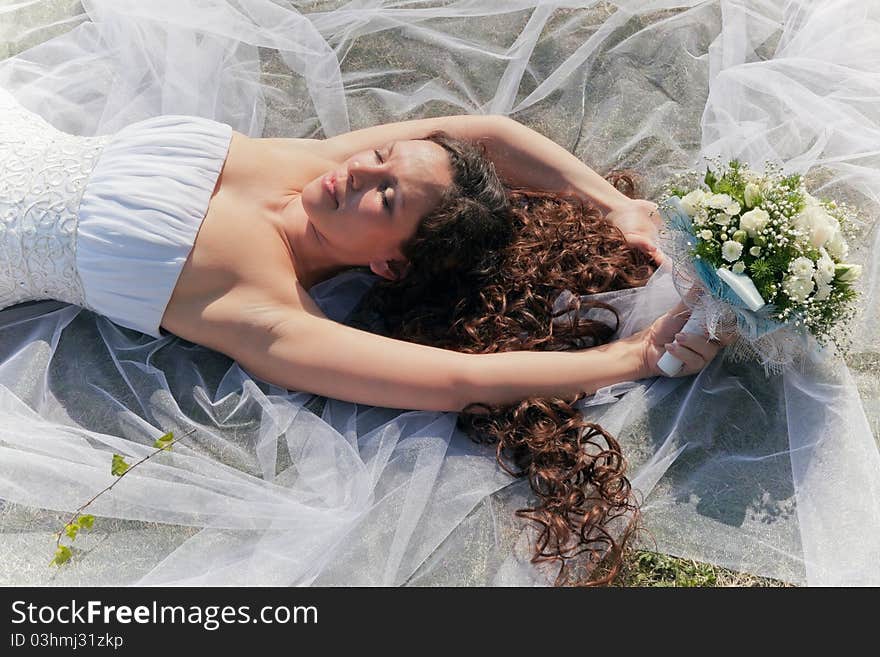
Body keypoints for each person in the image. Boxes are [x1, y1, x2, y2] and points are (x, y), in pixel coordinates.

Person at [1, 84, 724, 582]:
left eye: (386, 194)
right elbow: (487, 135)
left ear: (388, 262)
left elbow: (462, 380)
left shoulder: (271, 312)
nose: (359, 171)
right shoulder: (310, 166)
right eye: (381, 161)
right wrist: (612, 205)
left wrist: (630, 354)